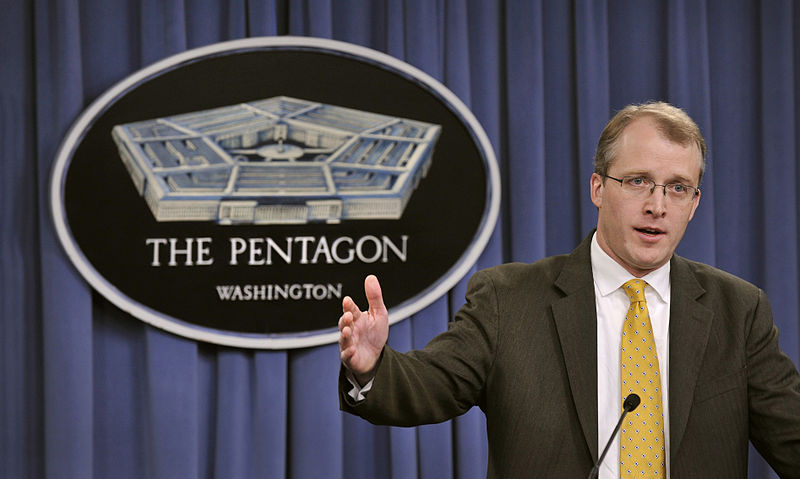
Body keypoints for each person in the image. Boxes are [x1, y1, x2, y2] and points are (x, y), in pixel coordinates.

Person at [337, 102, 800, 478]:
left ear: (694, 204)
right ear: (598, 187)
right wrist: (373, 365)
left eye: (678, 188)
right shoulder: (510, 299)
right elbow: (434, 385)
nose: (657, 205)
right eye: (638, 181)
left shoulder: (738, 311)